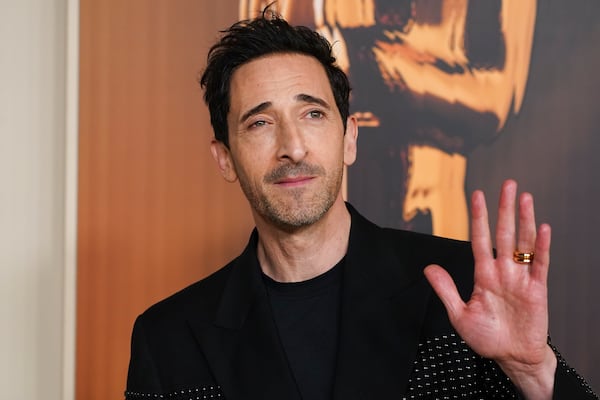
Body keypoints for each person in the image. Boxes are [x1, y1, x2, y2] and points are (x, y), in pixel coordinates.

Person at [125, 10, 597, 400]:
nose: (293, 147)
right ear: (224, 158)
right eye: (259, 123)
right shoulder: (168, 339)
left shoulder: (462, 289)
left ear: (349, 138)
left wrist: (534, 372)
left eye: (312, 114)